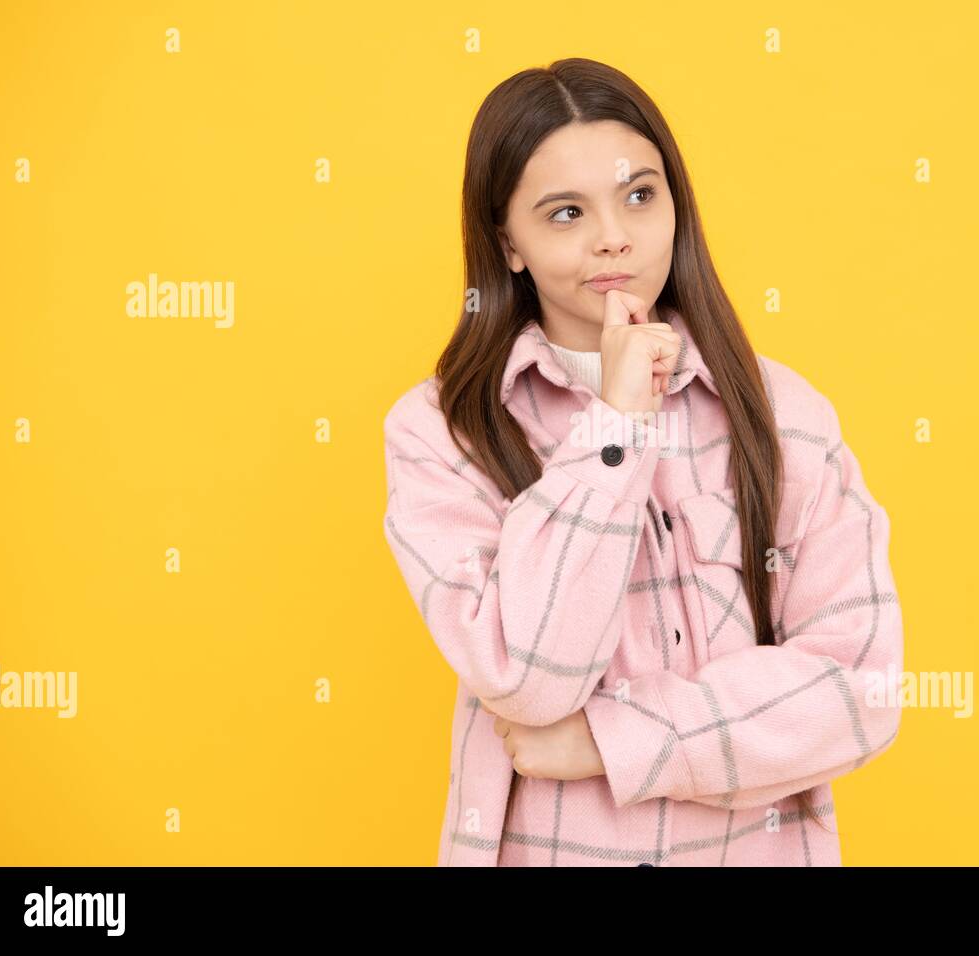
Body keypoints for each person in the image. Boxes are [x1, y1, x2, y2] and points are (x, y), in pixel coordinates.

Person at [382, 57, 903, 866]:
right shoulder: (440, 434)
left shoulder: (784, 415)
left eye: (639, 194)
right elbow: (525, 675)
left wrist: (609, 738)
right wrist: (618, 423)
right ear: (507, 244)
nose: (614, 236)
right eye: (564, 213)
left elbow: (860, 692)